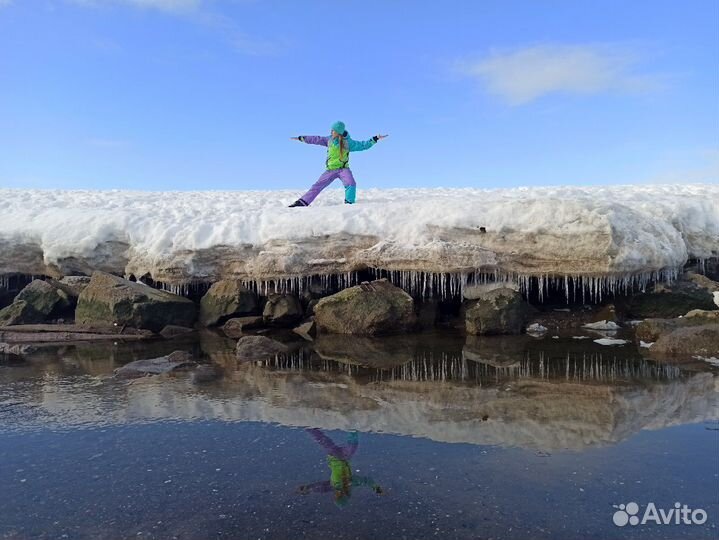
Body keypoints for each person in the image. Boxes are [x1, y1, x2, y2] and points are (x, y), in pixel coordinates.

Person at [288, 121, 388, 207]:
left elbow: (363, 145)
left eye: (334, 130)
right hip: (330, 170)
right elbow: (316, 139)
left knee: (351, 184)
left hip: (343, 169)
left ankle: (349, 204)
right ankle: (302, 202)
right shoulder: (329, 140)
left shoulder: (348, 143)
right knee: (317, 186)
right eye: (331, 130)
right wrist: (302, 138)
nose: (332, 132)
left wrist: (374, 139)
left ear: (339, 131)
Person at [297, 428, 383, 508]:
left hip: (334, 457)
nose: (336, 495)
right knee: (349, 447)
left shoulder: (333, 486)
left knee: (324, 441)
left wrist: (307, 488)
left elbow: (320, 487)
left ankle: (309, 428)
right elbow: (366, 481)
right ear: (344, 495)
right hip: (344, 457)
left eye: (335, 497)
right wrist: (375, 487)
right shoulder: (350, 483)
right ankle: (352, 428)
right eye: (338, 497)